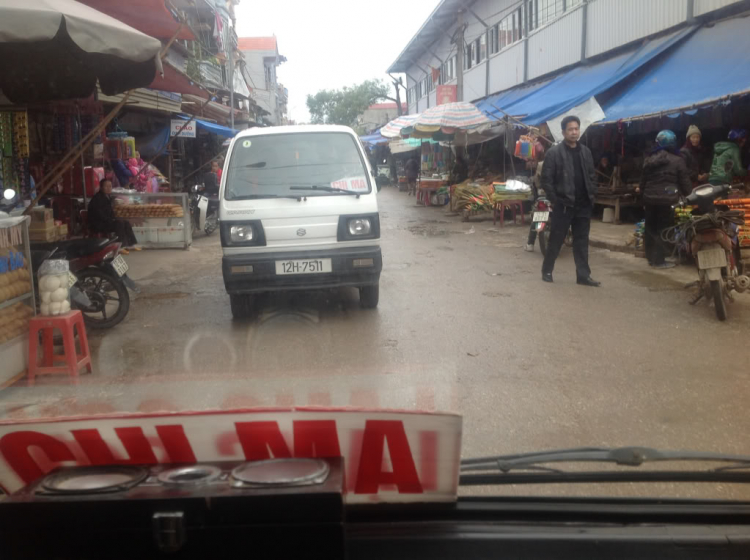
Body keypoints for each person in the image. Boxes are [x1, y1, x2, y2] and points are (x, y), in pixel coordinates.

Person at [540, 115, 599, 286]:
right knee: (556, 240)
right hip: (563, 205)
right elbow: (546, 180)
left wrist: (592, 194)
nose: (574, 132)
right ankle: (547, 270)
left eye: (576, 129)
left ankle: (583, 276)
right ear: (563, 132)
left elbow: (591, 176)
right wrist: (556, 200)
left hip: (583, 205)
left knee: (581, 242)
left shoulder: (585, 152)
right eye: (570, 129)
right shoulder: (554, 153)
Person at [637, 130, 692, 269]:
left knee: (650, 229)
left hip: (649, 200)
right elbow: (685, 183)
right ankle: (659, 260)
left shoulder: (649, 159)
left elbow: (642, 182)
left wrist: (642, 195)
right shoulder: (678, 160)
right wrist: (691, 196)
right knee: (663, 230)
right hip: (667, 200)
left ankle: (650, 258)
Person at [88, 178, 140, 253]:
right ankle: (120, 247)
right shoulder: (98, 198)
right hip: (98, 223)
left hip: (106, 221)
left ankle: (131, 245)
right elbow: (99, 214)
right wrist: (112, 220)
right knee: (119, 224)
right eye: (106, 186)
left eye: (110, 186)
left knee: (125, 222)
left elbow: (110, 212)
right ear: (101, 187)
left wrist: (114, 218)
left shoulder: (108, 197)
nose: (109, 188)